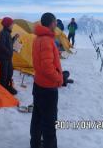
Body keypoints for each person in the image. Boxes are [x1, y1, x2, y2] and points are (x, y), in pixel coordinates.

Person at [30, 13, 63, 148]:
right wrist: (59, 79)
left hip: (38, 85)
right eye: (55, 22)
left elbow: (44, 61)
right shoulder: (46, 40)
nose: (56, 24)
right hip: (47, 88)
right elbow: (47, 67)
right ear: (51, 23)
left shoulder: (39, 38)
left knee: (37, 118)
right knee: (49, 123)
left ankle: (35, 144)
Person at [0, 17, 19, 95]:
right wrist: (9, 52)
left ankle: (7, 86)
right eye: (12, 24)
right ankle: (2, 91)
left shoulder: (7, 33)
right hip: (2, 58)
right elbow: (1, 46)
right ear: (8, 25)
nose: (13, 25)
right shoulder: (2, 33)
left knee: (10, 73)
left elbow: (8, 44)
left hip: (7, 58)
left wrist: (14, 38)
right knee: (4, 74)